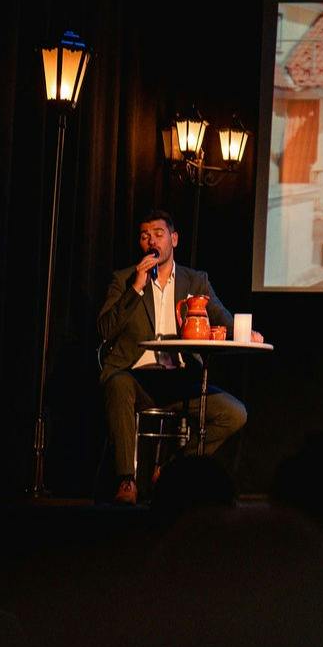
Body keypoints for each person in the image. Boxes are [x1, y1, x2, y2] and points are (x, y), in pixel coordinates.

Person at [97, 209, 247, 504]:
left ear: (174, 239)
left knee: (234, 413)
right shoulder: (124, 279)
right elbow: (105, 329)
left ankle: (172, 471)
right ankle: (127, 480)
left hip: (180, 381)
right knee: (117, 384)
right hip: (136, 379)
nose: (151, 240)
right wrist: (136, 288)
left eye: (158, 233)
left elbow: (222, 316)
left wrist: (244, 332)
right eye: (144, 235)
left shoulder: (195, 281)